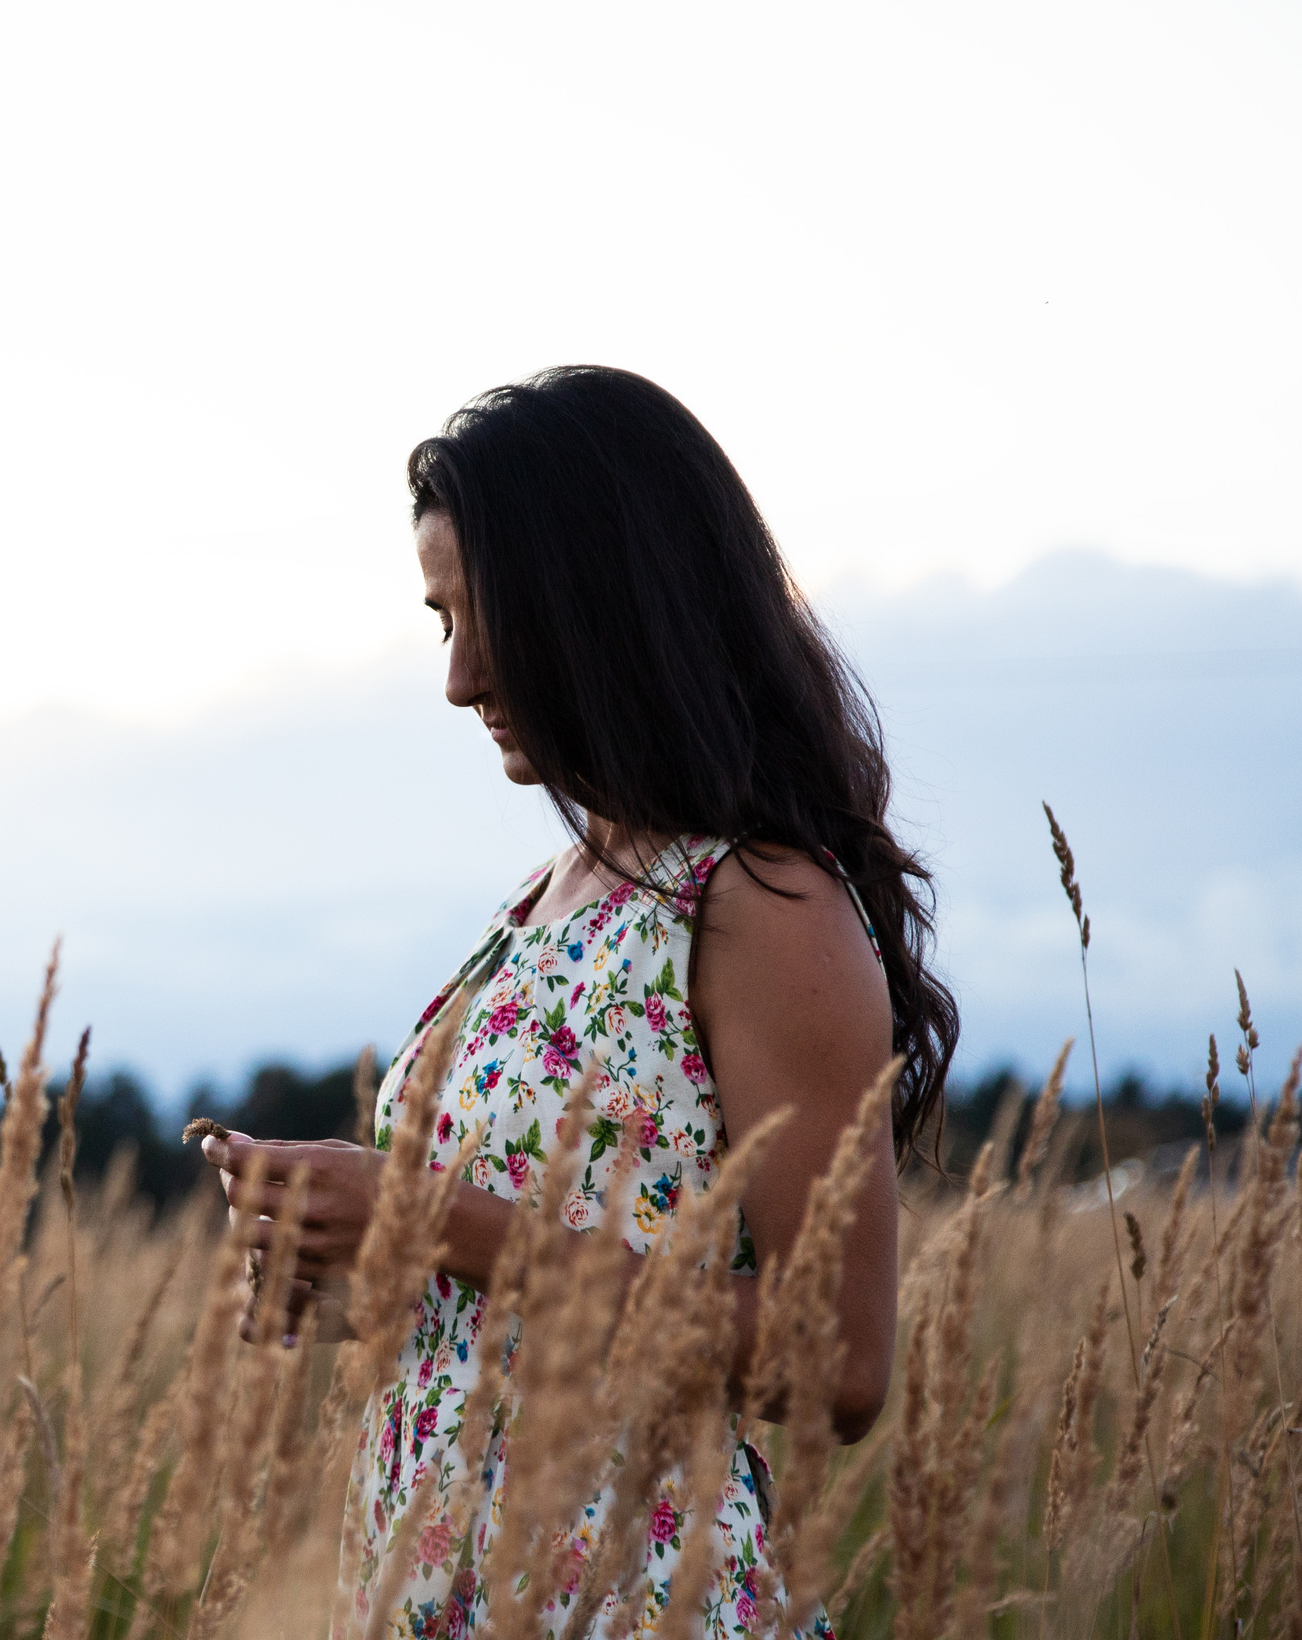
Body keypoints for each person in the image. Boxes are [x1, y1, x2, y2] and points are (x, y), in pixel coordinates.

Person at [200, 366, 955, 1638]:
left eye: (485, 616)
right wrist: (345, 1272)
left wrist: (427, 1217)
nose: (457, 678)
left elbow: (838, 1362)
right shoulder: (543, 900)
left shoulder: (759, 902)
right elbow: (529, 1277)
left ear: (606, 602)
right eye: (440, 621)